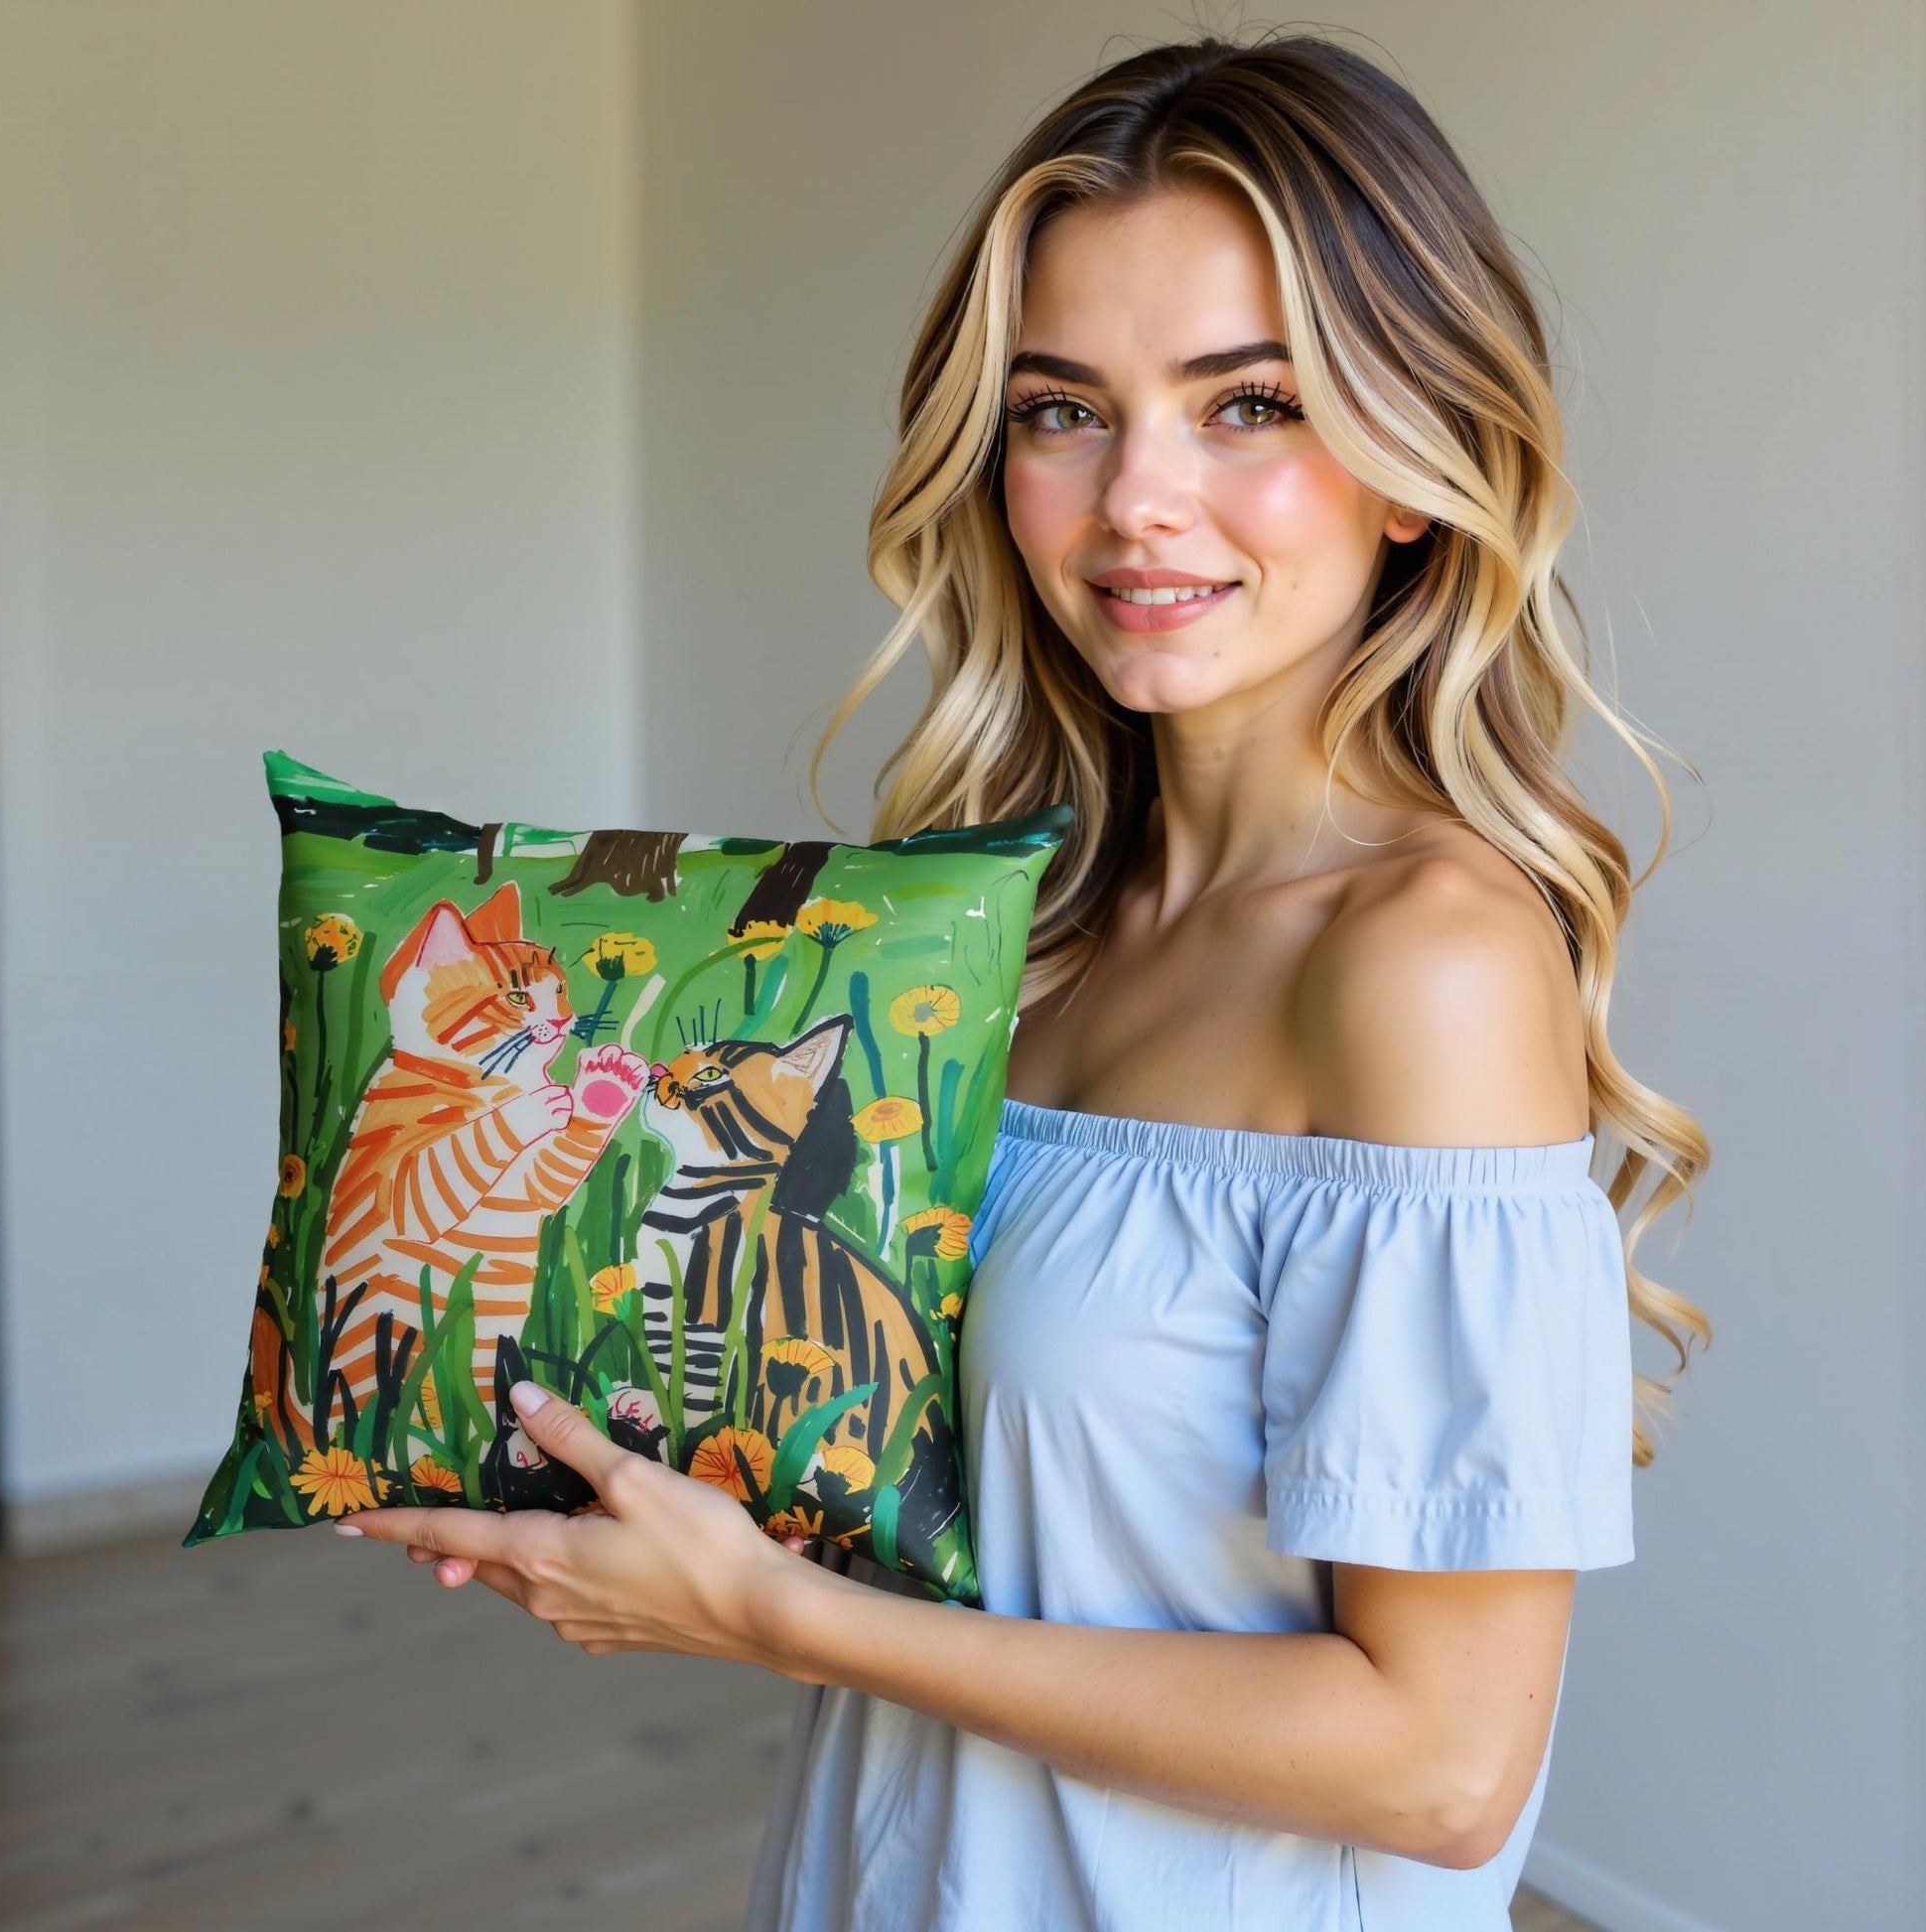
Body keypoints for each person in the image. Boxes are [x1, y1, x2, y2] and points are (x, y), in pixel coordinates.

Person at [340, 28, 1713, 1931]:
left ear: (1418, 465)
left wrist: (767, 1616)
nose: (1137, 496)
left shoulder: (1426, 965)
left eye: (1249, 405)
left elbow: (1440, 1768)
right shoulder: (1030, 926)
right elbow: (1017, 1522)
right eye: (1064, 409)